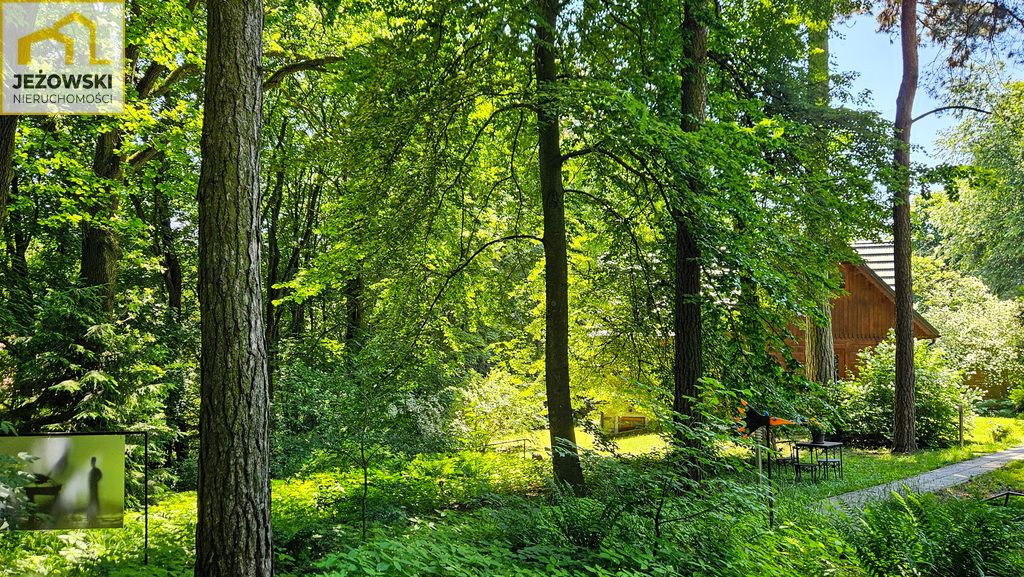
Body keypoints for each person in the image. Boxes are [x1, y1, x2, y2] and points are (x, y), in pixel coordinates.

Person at [86, 456, 102, 524]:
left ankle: (97, 511)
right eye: (91, 462)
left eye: (93, 461)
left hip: (94, 486)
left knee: (95, 498)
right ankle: (91, 512)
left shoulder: (96, 470)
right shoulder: (91, 471)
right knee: (91, 498)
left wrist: (96, 481)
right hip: (91, 486)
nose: (92, 463)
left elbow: (100, 476)